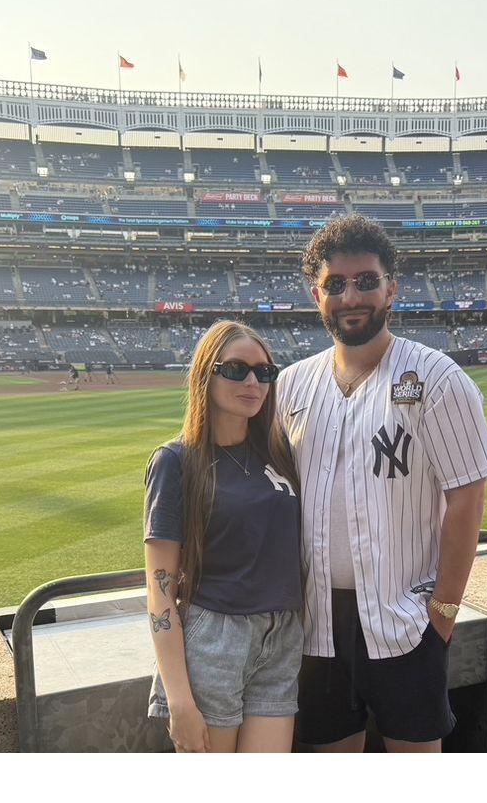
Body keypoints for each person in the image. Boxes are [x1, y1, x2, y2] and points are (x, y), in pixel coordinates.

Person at [276, 214, 487, 753]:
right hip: (316, 623)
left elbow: (467, 498)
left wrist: (442, 616)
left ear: (391, 288)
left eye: (366, 281)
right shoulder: (291, 384)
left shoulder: (438, 378)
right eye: (336, 284)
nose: (351, 295)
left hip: (404, 617)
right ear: (317, 295)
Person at [144, 320, 303, 753]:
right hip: (216, 637)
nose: (253, 381)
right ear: (205, 374)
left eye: (264, 372)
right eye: (236, 369)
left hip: (283, 633)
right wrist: (178, 700)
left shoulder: (279, 451)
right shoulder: (176, 460)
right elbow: (159, 591)